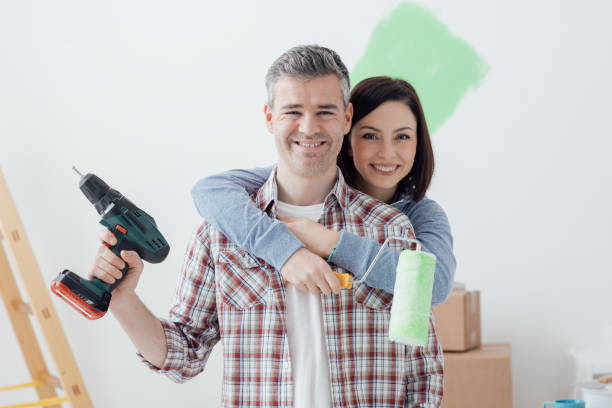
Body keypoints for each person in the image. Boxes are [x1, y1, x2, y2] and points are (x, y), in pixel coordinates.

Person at [89, 45, 443, 407]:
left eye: (325, 111)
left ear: (347, 118)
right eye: (293, 111)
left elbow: (423, 369)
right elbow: (185, 355)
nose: (309, 127)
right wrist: (123, 298)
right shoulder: (220, 235)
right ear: (269, 117)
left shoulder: (393, 231)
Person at [191, 76, 455, 304]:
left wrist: (329, 242)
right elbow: (210, 190)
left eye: (402, 136)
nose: (387, 153)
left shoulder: (419, 216)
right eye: (370, 136)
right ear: (347, 138)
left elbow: (436, 285)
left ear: (418, 144)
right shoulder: (312, 184)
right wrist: (284, 251)